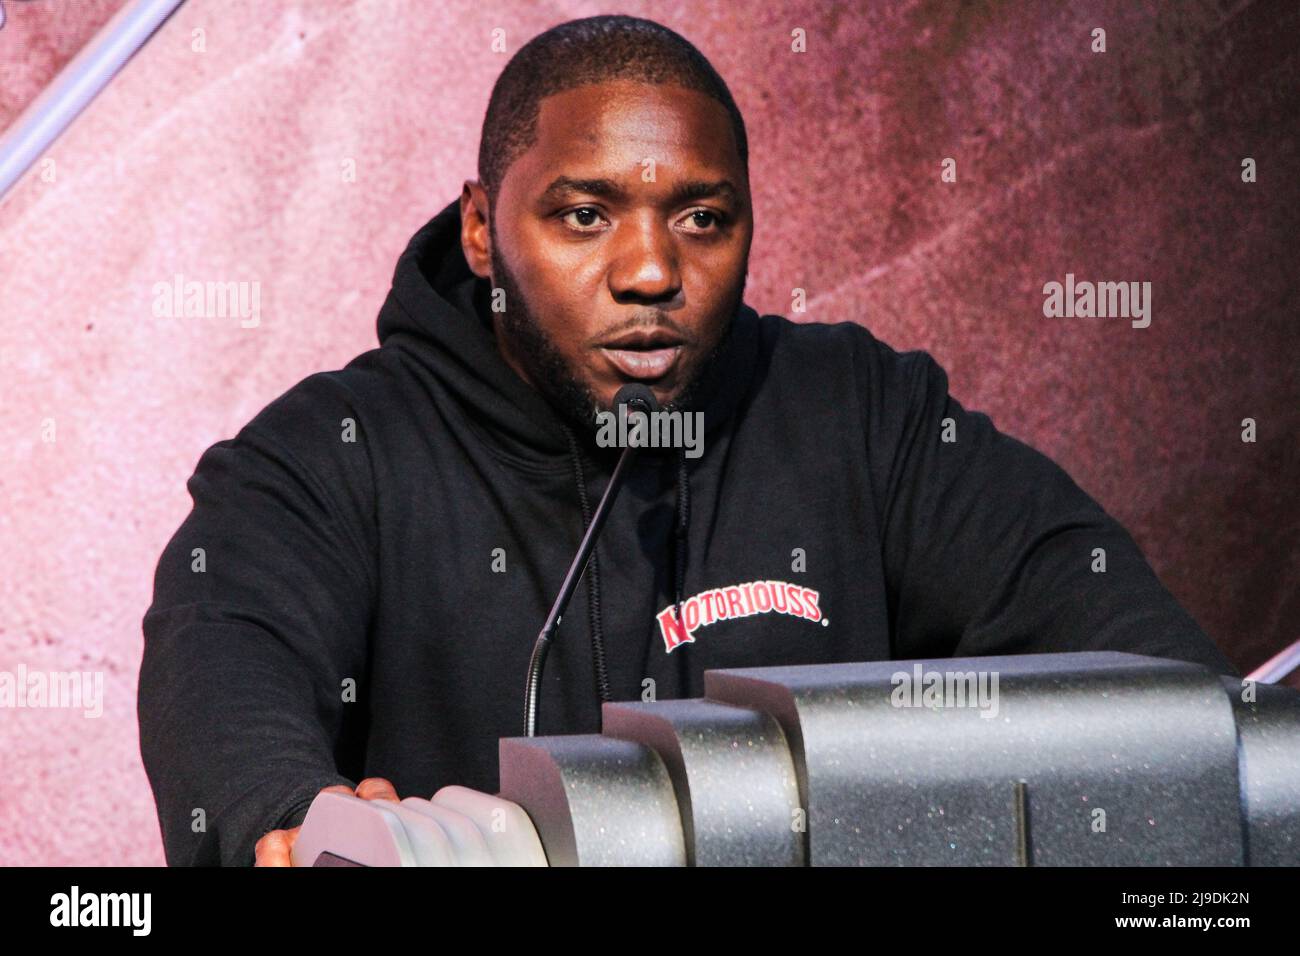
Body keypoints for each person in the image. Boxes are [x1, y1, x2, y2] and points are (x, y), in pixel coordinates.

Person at [137, 14, 1236, 867]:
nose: (652, 271)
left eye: (703, 218)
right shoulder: (331, 451)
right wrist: (291, 813)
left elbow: (1151, 675)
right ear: (481, 228)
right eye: (584, 215)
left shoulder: (858, 412)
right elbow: (224, 662)